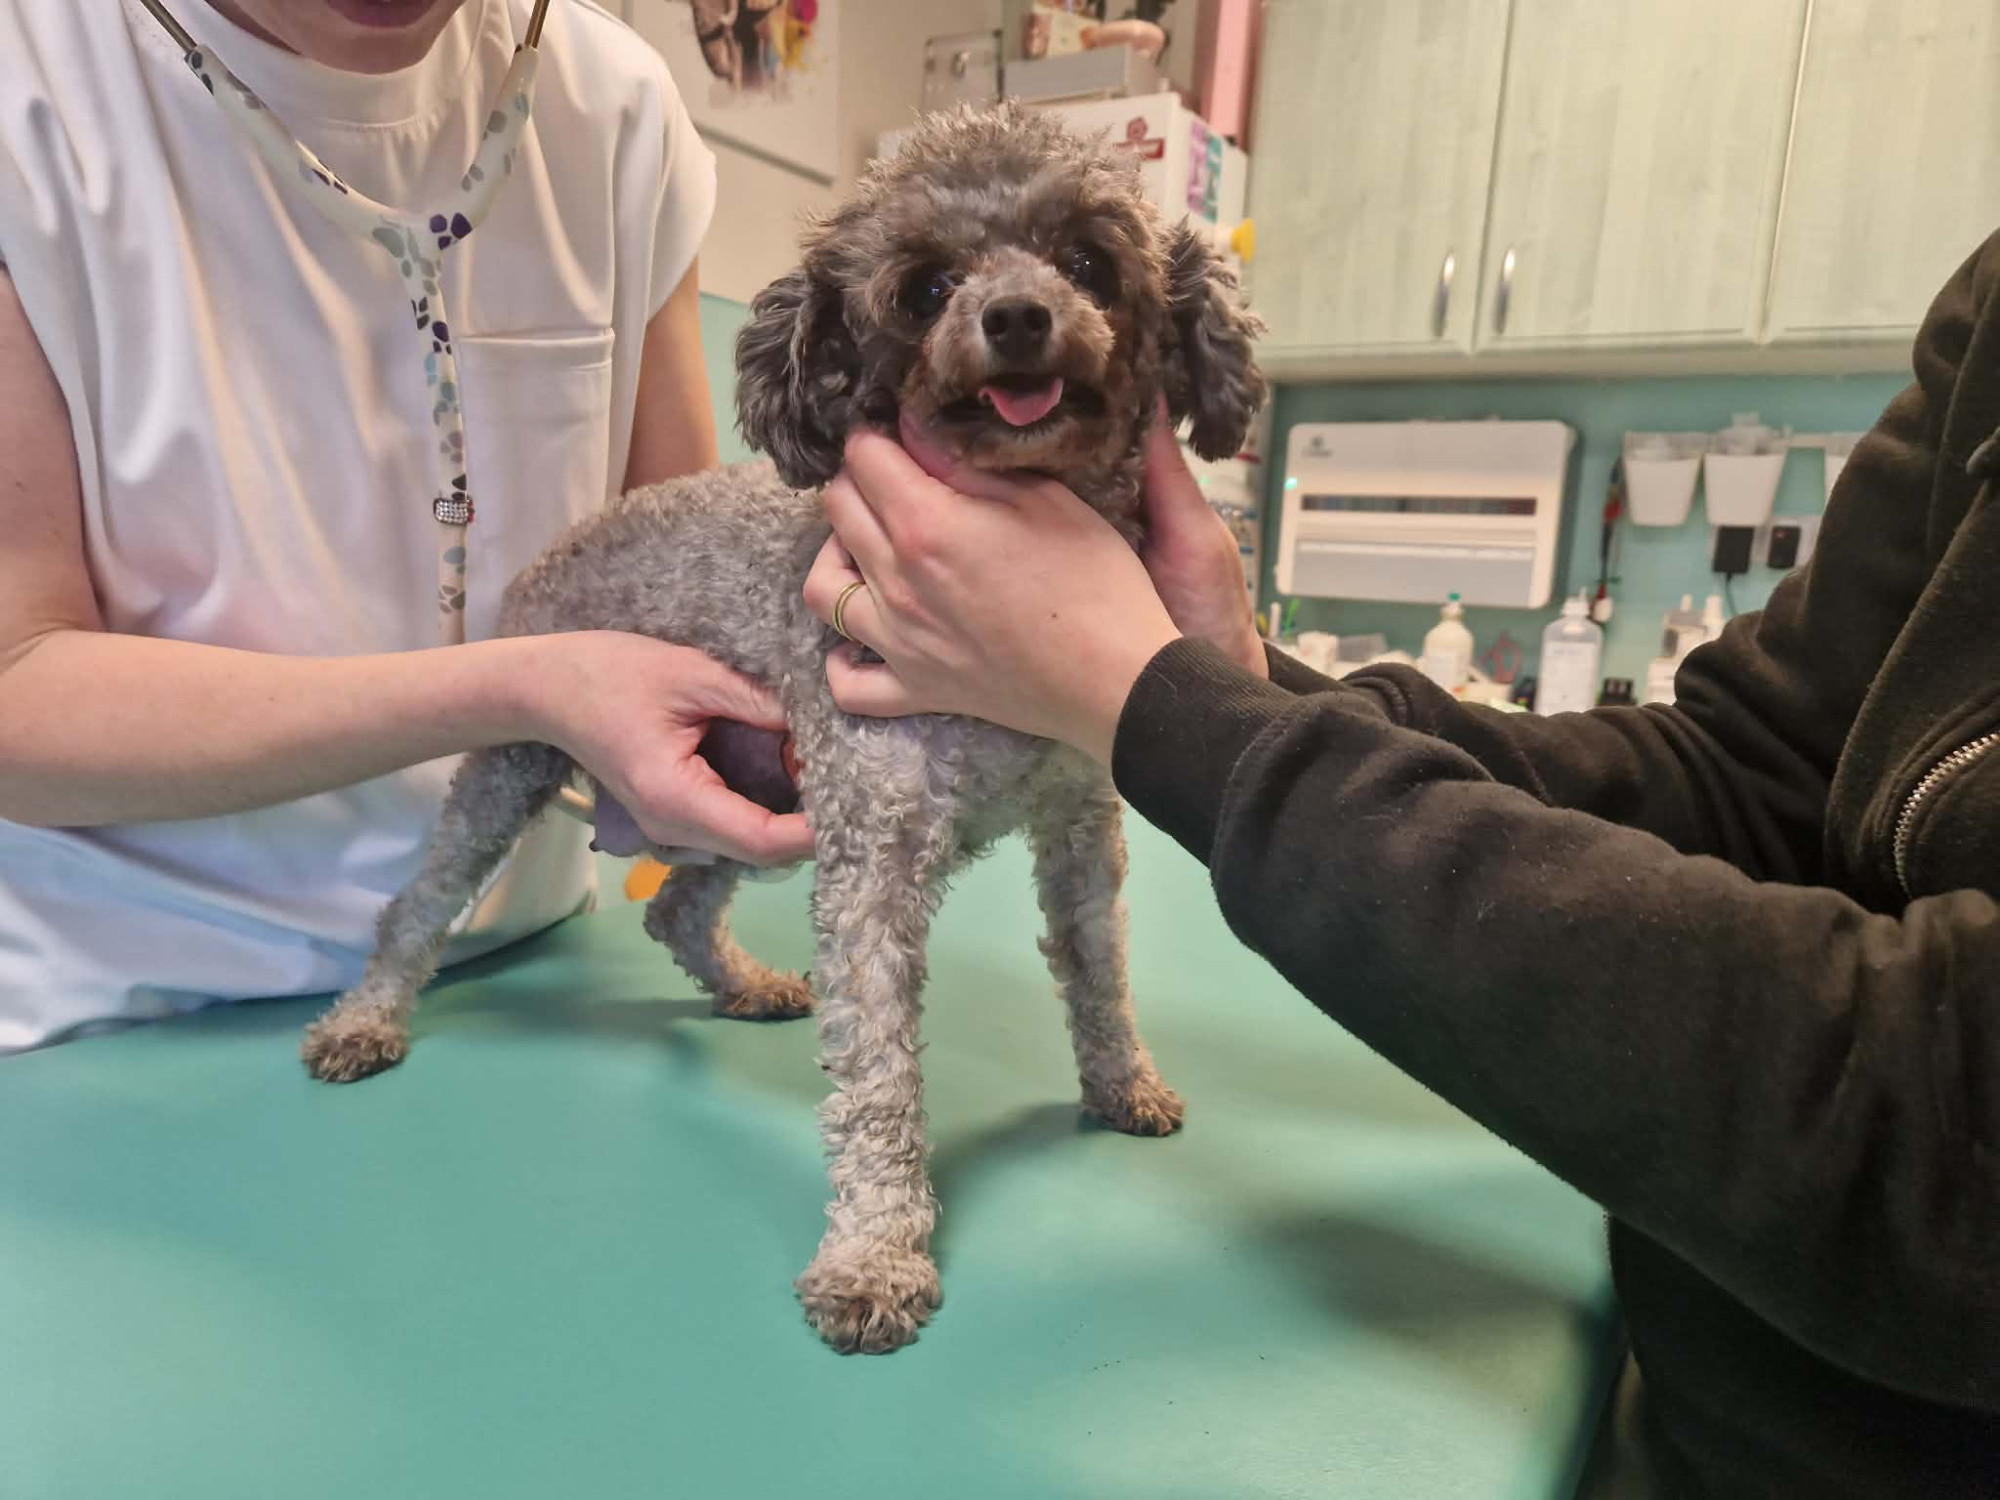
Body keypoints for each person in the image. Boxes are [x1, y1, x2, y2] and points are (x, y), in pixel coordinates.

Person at [801, 240, 2000, 1494]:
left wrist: (1161, 708)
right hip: (1700, 1375)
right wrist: (1228, 685)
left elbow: (1949, 1127)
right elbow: (1750, 768)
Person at [0, 0, 812, 1055]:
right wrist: (527, 688)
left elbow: (685, 597)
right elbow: (16, 684)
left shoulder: (613, 108)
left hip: (532, 985)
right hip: (119, 1009)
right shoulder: (34, 86)